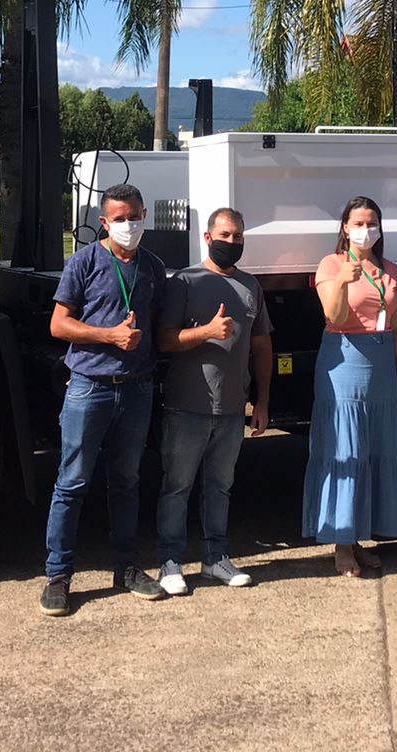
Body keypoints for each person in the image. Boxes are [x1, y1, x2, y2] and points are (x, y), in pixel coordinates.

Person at [40, 183, 168, 617]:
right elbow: (59, 325)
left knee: (127, 480)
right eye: (119, 218)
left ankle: (126, 567)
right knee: (72, 482)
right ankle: (58, 575)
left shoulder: (153, 267)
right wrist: (108, 336)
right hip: (89, 387)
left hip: (136, 387)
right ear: (104, 222)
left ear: (145, 215)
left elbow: (154, 321)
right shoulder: (84, 262)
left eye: (134, 216)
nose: (128, 224)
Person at [154, 207, 274, 595]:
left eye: (238, 236)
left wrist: (263, 401)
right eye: (225, 236)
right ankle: (170, 562)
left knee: (220, 487)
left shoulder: (250, 286)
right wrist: (206, 331)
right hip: (186, 406)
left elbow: (262, 345)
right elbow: (164, 340)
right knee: (177, 487)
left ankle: (215, 558)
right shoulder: (186, 282)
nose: (232, 242)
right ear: (208, 238)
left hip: (233, 409)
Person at [303, 195, 397, 577]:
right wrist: (342, 283)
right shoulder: (331, 265)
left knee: (374, 452)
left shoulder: (390, 269)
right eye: (359, 223)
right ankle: (341, 542)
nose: (366, 229)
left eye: (372, 223)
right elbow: (333, 316)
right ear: (346, 228)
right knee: (346, 452)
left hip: (382, 368)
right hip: (345, 363)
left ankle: (359, 535)